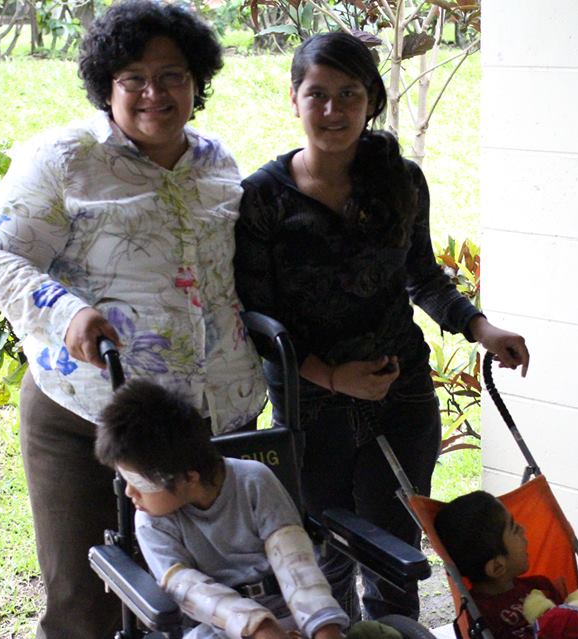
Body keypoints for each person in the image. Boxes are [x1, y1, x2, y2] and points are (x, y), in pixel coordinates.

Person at [0, 3, 265, 637]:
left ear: (197, 82)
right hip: (88, 415)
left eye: (173, 75)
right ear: (107, 86)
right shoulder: (65, 158)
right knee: (86, 603)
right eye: (134, 78)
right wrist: (66, 311)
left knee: (208, 596)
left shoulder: (217, 162)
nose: (154, 93)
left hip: (210, 423)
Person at [233, 32, 529, 621]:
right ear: (294, 99)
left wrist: (481, 328)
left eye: (350, 93)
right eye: (318, 94)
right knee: (324, 556)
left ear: (372, 99)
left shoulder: (401, 181)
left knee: (395, 558)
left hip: (402, 396)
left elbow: (423, 277)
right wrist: (332, 377)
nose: (333, 109)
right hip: (311, 408)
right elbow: (256, 320)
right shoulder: (262, 198)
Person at [95, 380, 350, 639]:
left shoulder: (254, 481)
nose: (129, 492)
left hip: (291, 613)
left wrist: (324, 627)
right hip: (218, 627)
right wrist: (258, 627)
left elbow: (295, 562)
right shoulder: (151, 521)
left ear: (189, 478)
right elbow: (186, 588)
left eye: (139, 483)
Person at [435, 491, 565, 639]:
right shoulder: (479, 616)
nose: (523, 529)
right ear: (497, 567)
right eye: (515, 529)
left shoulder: (541, 586)